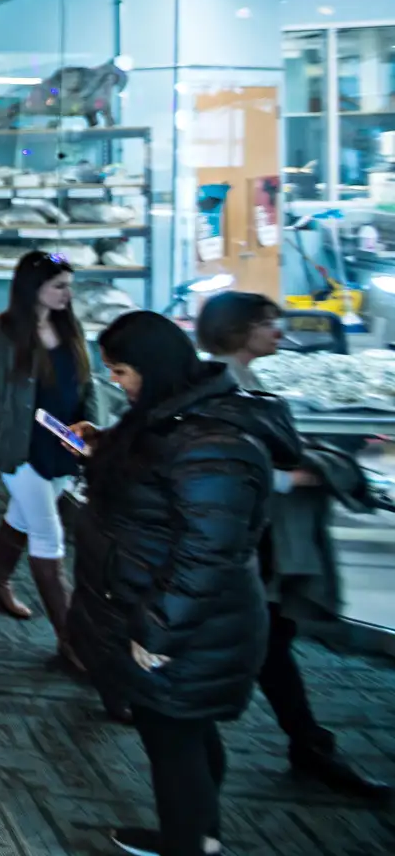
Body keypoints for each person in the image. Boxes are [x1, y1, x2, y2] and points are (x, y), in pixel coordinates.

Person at [68, 311, 288, 856]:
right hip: (166, 615)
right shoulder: (171, 416)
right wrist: (102, 449)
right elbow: (156, 495)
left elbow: (208, 552)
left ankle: (191, 841)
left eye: (121, 371)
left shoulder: (210, 441)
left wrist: (158, 633)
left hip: (186, 629)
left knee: (176, 745)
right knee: (182, 736)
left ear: (151, 366)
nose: (116, 382)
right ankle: (193, 833)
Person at [195, 292, 389, 803]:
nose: (277, 331)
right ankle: (301, 747)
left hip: (249, 541)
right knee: (262, 645)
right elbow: (233, 464)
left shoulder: (237, 381)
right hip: (242, 542)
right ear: (239, 329)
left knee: (271, 645)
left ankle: (306, 743)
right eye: (266, 322)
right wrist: (300, 476)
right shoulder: (224, 386)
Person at [0, 250, 105, 673]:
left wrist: (92, 430)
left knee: (22, 516)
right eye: (59, 286)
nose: (68, 294)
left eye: (69, 285)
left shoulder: (71, 328)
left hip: (62, 446)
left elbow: (87, 385)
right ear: (34, 289)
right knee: (48, 537)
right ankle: (73, 642)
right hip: (20, 449)